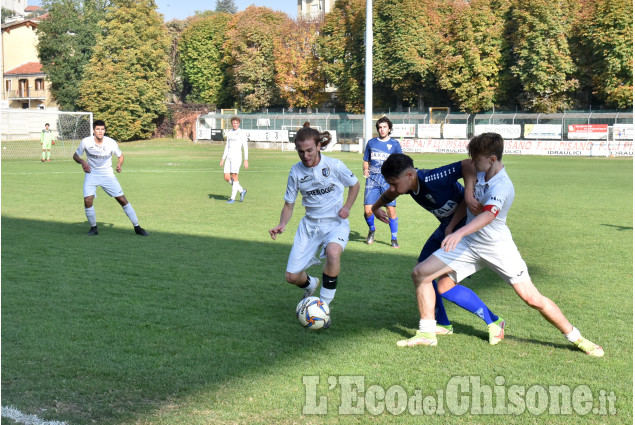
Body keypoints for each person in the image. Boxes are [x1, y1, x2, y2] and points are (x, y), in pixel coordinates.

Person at [390, 133, 603, 357]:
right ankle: (427, 333)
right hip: (470, 243)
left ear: (492, 159)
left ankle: (576, 337)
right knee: (421, 274)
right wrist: (459, 215)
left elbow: (488, 216)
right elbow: (468, 186)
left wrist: (458, 232)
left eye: (477, 159)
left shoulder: (503, 186)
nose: (473, 163)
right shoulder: (481, 172)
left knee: (533, 299)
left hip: (497, 247)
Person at [373, 153, 505, 344]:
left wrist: (468, 193)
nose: (392, 188)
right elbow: (391, 193)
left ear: (410, 174)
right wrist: (376, 207)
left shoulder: (431, 178)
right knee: (422, 272)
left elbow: (467, 164)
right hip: (447, 228)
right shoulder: (408, 186)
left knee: (442, 285)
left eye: (394, 182)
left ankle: (494, 321)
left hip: (464, 229)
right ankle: (442, 323)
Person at [269, 126, 360, 326]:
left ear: (319, 146)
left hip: (335, 223)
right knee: (292, 277)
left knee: (333, 252)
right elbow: (289, 204)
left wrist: (347, 207)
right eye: (301, 151)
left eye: (309, 150)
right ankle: (311, 284)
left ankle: (324, 307)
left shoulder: (334, 165)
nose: (305, 155)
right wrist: (282, 224)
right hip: (310, 226)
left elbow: (355, 184)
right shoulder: (296, 171)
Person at [72, 120, 149, 236]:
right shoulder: (86, 142)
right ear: (93, 130)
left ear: (105, 130)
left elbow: (120, 156)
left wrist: (119, 164)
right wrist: (83, 162)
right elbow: (75, 155)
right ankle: (93, 228)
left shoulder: (111, 143)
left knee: (122, 200)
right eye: (98, 129)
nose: (100, 131)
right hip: (91, 174)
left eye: (102, 129)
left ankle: (137, 227)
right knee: (87, 200)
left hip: (107, 175)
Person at [363, 117, 403, 248]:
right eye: (380, 127)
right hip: (372, 180)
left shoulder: (395, 144)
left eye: (384, 127)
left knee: (390, 210)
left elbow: (400, 162)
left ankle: (394, 238)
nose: (382, 129)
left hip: (388, 181)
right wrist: (365, 170)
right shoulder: (371, 143)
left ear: (389, 128)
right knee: (368, 211)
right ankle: (372, 229)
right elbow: (366, 160)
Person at [220, 116, 248, 203]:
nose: (235, 124)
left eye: (236, 123)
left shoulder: (242, 133)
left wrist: (246, 159)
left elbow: (245, 147)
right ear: (232, 123)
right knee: (226, 177)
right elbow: (227, 146)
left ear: (239, 123)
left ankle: (232, 198)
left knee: (234, 176)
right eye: (233, 123)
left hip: (237, 157)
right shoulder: (230, 133)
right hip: (229, 157)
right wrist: (223, 158)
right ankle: (241, 190)